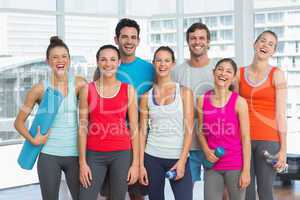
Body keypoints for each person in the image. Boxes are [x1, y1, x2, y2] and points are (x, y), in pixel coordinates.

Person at [14, 36, 86, 200]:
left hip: (75, 154)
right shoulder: (39, 89)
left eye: (64, 56)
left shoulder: (80, 84)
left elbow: (88, 117)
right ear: (48, 61)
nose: (60, 60)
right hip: (49, 155)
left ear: (69, 59)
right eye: (55, 57)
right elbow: (18, 122)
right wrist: (33, 140)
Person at [94, 18, 155, 200]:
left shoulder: (149, 69)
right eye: (124, 37)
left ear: (138, 40)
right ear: (116, 39)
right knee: (111, 191)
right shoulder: (106, 67)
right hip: (110, 134)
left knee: (137, 191)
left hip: (140, 132)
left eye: (133, 37)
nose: (129, 41)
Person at [78, 45, 139, 200]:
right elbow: (82, 127)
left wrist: (136, 164)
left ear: (119, 62)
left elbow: (134, 128)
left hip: (121, 153)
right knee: (86, 196)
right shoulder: (87, 89)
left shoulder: (128, 89)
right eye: (103, 59)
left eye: (112, 59)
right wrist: (82, 163)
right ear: (97, 62)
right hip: (94, 153)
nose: (108, 63)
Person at [235, 30, 287, 200]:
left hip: (269, 140)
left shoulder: (277, 74)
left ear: (273, 51)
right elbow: (232, 110)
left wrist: (283, 150)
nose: (265, 45)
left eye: (271, 44)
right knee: (245, 190)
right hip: (243, 139)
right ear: (255, 44)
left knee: (265, 191)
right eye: (262, 41)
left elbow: (280, 114)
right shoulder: (239, 74)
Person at [139, 46, 194, 200]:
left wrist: (182, 161)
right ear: (154, 63)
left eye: (167, 60)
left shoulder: (184, 92)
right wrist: (141, 165)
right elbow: (143, 131)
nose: (162, 64)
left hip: (178, 157)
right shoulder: (146, 96)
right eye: (158, 60)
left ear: (173, 64)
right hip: (152, 157)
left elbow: (189, 129)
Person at [198, 58, 251, 200]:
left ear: (233, 78)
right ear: (213, 72)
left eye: (228, 71)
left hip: (235, 164)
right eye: (220, 69)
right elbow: (200, 131)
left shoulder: (239, 102)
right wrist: (206, 150)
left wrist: (246, 170)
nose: (223, 73)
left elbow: (246, 138)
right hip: (212, 165)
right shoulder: (202, 99)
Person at [172, 22, 217, 183]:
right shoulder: (176, 72)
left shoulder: (218, 70)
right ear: (188, 41)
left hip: (214, 143)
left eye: (201, 38)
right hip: (187, 146)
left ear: (208, 42)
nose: (197, 42)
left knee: (221, 193)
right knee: (185, 191)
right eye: (193, 38)